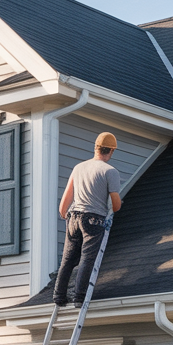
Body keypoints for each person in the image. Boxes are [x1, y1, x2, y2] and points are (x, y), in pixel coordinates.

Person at [53, 131, 123, 308]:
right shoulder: (110, 172)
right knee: (87, 258)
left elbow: (63, 206)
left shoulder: (78, 168)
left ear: (96, 148)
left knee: (68, 259)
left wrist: (67, 216)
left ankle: (59, 295)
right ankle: (79, 297)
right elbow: (116, 206)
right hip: (93, 219)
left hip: (73, 217)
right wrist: (116, 204)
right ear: (111, 150)